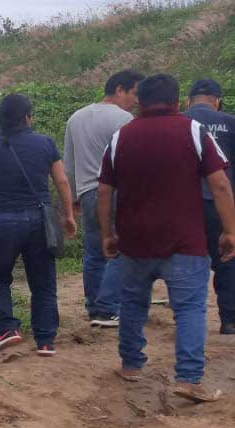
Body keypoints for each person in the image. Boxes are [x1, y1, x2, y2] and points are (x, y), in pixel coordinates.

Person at [98, 73, 235, 403]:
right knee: (189, 308)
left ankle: (131, 365)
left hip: (134, 242)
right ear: (178, 103)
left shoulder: (121, 136)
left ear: (140, 103)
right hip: (184, 242)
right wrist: (230, 230)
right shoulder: (192, 131)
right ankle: (188, 378)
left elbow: (104, 191)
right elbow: (219, 184)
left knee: (132, 303)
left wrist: (107, 234)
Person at [0, 93, 78, 355]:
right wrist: (68, 216)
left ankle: (8, 328)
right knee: (43, 282)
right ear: (27, 117)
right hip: (39, 220)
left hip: (3, 221)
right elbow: (62, 181)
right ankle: (45, 341)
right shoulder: (44, 143)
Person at [64, 70, 143, 328]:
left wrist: (74, 196)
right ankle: (108, 308)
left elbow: (69, 163)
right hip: (116, 192)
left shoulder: (76, 118)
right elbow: (130, 161)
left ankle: (94, 307)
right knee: (122, 247)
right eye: (134, 93)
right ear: (120, 90)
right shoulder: (124, 118)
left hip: (87, 192)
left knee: (94, 252)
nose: (136, 100)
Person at [183, 78, 235, 334]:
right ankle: (229, 320)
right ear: (217, 101)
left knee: (188, 259)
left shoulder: (179, 122)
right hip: (222, 203)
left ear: (188, 101)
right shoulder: (231, 123)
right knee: (228, 257)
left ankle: (188, 321)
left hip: (185, 205)